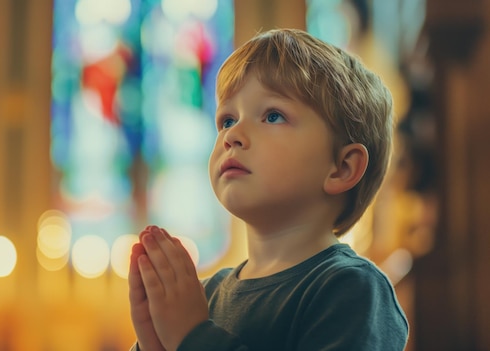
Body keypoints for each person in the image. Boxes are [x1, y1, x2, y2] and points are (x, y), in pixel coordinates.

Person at [128, 28, 409, 351]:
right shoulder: (205, 296)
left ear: (342, 167)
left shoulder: (351, 288)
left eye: (273, 116)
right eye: (227, 120)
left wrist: (193, 336)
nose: (232, 136)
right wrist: (155, 342)